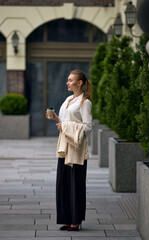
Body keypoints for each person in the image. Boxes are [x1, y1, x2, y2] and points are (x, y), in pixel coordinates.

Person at [46, 70, 92, 231]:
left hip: (76, 149)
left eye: (70, 80)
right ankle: (66, 218)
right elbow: (65, 121)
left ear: (79, 83)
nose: (67, 82)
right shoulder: (67, 99)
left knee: (75, 185)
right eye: (67, 80)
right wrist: (56, 119)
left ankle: (76, 220)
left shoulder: (84, 102)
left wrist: (66, 126)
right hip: (64, 147)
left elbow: (88, 126)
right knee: (63, 183)